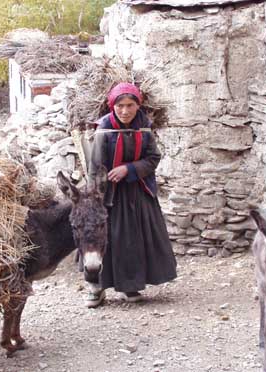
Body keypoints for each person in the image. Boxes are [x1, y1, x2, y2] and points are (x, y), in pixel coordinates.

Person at [85, 82, 177, 308]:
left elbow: (153, 158)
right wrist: (95, 200)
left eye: (130, 105)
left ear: (138, 105)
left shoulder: (144, 128)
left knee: (135, 241)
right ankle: (96, 288)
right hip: (109, 196)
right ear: (112, 106)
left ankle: (131, 285)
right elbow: (95, 168)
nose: (125, 111)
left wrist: (130, 169)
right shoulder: (104, 130)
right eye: (120, 106)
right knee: (105, 240)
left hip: (138, 191)